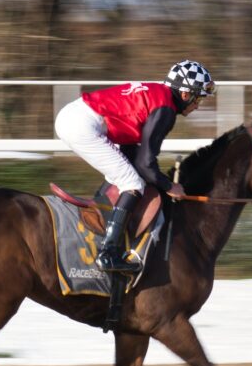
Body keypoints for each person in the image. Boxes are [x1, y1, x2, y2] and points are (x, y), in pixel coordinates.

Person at [54, 59, 215, 274]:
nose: (197, 105)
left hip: (75, 116)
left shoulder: (158, 94)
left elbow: (134, 152)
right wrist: (169, 186)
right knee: (131, 182)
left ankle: (102, 220)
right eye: (198, 98)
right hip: (82, 124)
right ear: (185, 94)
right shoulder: (165, 109)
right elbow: (146, 164)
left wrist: (155, 178)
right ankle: (108, 253)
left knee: (125, 173)